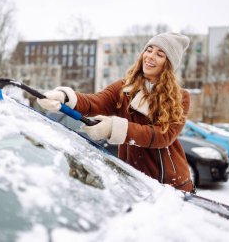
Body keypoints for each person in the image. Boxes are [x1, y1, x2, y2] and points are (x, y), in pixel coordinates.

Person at [37, 32, 194, 193]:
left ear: (168, 65)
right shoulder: (124, 88)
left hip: (171, 184)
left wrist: (114, 128)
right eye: (149, 50)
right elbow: (94, 102)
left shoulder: (180, 97)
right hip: (134, 179)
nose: (150, 56)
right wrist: (64, 97)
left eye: (160, 54)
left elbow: (163, 135)